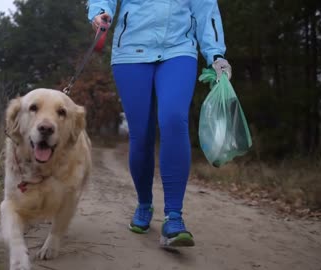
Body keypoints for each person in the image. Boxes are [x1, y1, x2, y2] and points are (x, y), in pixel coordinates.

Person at [87, 1, 232, 247]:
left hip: (179, 50)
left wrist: (215, 53)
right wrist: (101, 12)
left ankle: (174, 216)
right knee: (141, 134)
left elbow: (206, 10)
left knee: (174, 120)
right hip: (131, 52)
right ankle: (144, 204)